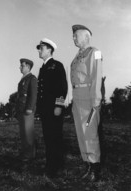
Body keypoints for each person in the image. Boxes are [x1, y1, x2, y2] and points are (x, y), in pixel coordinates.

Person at [70, 25, 103, 182]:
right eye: (73, 35)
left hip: (89, 98)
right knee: (81, 134)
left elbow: (96, 76)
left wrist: (96, 100)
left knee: (90, 135)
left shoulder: (94, 52)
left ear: (86, 37)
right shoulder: (76, 58)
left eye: (76, 35)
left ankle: (95, 170)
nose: (74, 38)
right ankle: (88, 166)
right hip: (77, 99)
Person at [36, 38, 68, 178]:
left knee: (55, 137)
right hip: (45, 110)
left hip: (54, 109)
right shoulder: (42, 68)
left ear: (49, 49)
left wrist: (59, 105)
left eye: (41, 47)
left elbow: (62, 87)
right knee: (48, 138)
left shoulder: (57, 65)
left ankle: (57, 167)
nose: (39, 50)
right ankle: (51, 165)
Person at [10, 58, 37, 160]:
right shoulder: (24, 78)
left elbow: (33, 95)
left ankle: (30, 155)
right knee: (23, 133)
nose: (20, 67)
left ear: (28, 67)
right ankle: (25, 153)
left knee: (28, 133)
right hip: (21, 109)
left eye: (22, 65)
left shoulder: (32, 78)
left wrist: (30, 108)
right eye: (20, 65)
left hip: (27, 110)